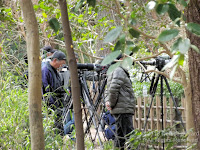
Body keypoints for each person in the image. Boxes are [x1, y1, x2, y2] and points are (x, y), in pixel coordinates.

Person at [105, 55, 136, 150]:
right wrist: (111, 103)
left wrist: (108, 101)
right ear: (121, 59)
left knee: (120, 136)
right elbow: (113, 89)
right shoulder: (119, 70)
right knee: (130, 135)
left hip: (121, 108)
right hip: (123, 108)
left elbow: (109, 89)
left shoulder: (116, 70)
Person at [42, 50, 67, 135]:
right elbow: (46, 90)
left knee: (59, 128)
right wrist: (52, 105)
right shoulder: (45, 70)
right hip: (50, 106)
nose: (62, 66)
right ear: (55, 60)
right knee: (53, 129)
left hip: (58, 104)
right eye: (61, 64)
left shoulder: (55, 70)